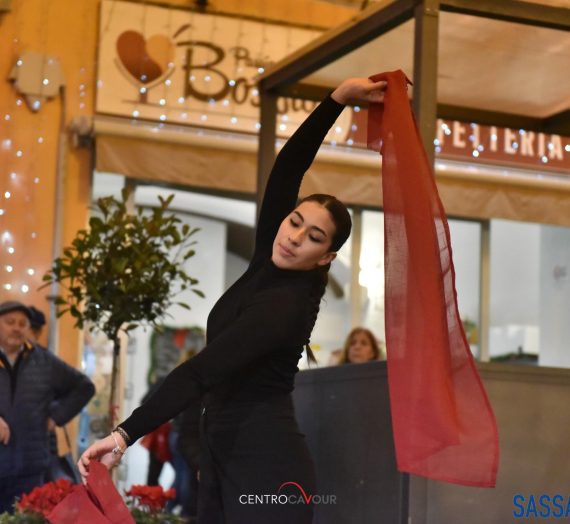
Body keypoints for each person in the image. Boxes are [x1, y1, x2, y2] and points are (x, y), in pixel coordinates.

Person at [78, 77, 386, 524]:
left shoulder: (287, 306)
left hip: (267, 471)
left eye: (313, 236)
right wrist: (336, 100)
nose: (294, 237)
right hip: (223, 454)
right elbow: (287, 169)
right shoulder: (270, 258)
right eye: (295, 221)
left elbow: (202, 372)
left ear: (327, 257)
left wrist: (125, 435)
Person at [0, 301, 96, 513]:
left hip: (30, 468)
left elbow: (84, 387)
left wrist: (56, 417)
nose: (16, 327)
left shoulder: (44, 361)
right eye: (10, 322)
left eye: (22, 323)